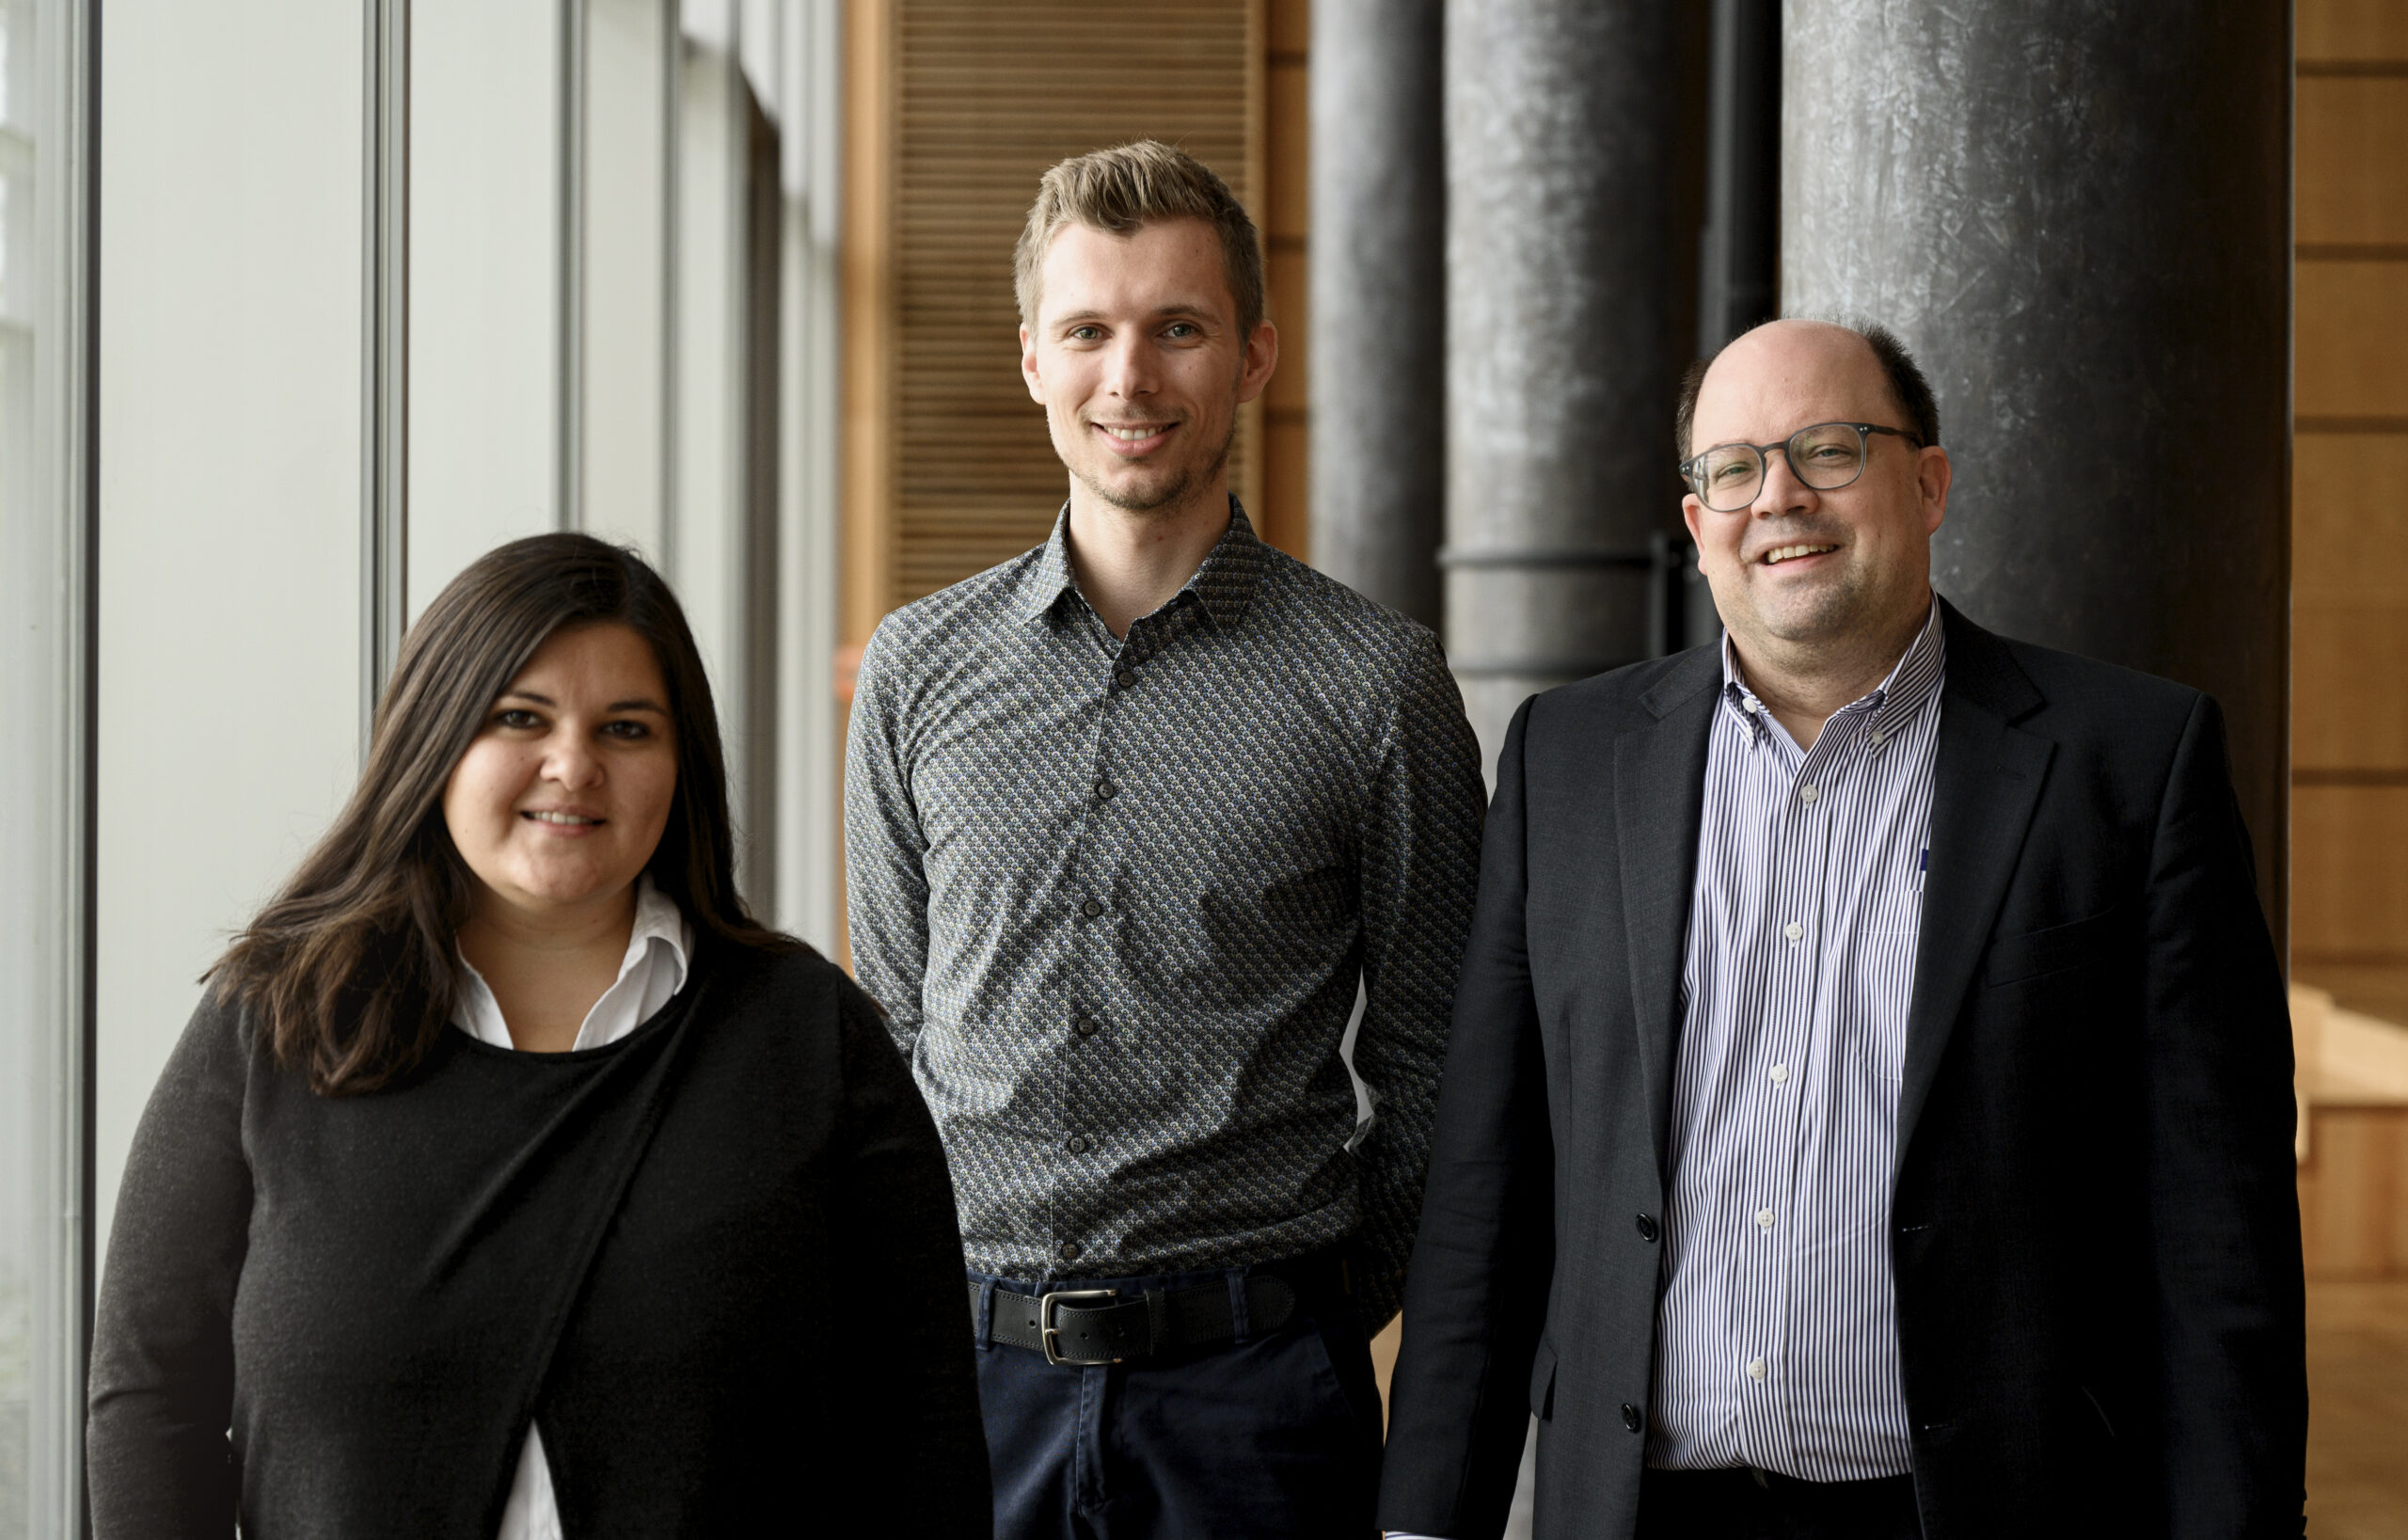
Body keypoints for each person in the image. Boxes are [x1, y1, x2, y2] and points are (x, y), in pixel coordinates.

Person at [1378, 319, 2305, 1540]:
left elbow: (2219, 1230)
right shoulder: (1570, 758)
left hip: (1981, 1505)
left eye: (1828, 448)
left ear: (1927, 484)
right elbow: (1488, 1192)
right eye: (1735, 467)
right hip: (1642, 1507)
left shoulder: (2127, 764)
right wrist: (1423, 1519)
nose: (1780, 498)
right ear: (1696, 518)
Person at [88, 533, 991, 1537]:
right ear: (435, 739)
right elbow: (149, 1389)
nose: (574, 765)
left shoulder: (808, 1038)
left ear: (680, 762)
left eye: (628, 728)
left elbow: (923, 1426)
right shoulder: (278, 1022)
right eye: (520, 717)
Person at [845, 139, 1486, 1540]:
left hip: (1253, 1403)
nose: (1128, 377)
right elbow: (889, 1034)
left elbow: (1440, 1062)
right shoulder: (916, 670)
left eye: (1175, 328)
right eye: (1088, 331)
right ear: (1032, 359)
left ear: (1253, 355)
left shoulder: (1375, 685)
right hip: (959, 1381)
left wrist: (1307, 1316)